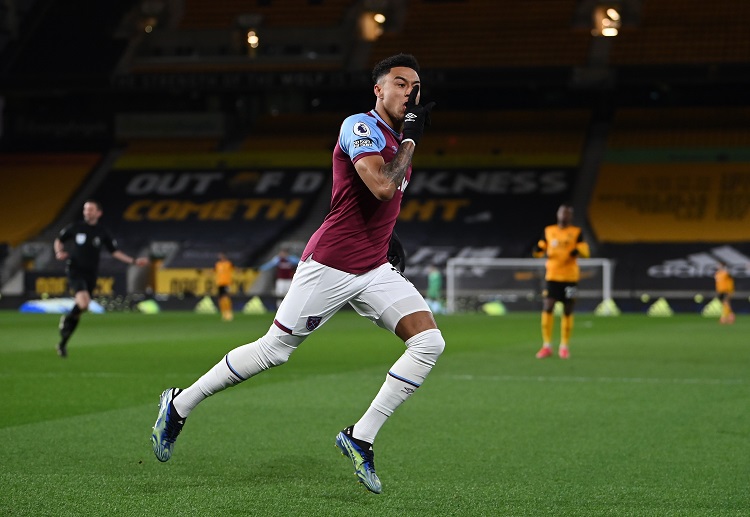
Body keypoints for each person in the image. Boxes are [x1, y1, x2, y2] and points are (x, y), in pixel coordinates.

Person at [151, 53, 441, 495]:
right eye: (400, 84)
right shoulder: (359, 126)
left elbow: (378, 198)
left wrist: (389, 235)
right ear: (378, 90)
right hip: (329, 264)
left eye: (415, 87)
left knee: (429, 342)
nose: (409, 93)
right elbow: (383, 185)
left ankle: (360, 437)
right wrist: (412, 140)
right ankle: (179, 404)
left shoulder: (397, 139)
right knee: (274, 351)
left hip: (373, 265)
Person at [54, 199, 149, 357]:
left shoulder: (102, 232)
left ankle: (63, 343)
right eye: (85, 209)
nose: (87, 212)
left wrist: (133, 261)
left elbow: (114, 252)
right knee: (84, 303)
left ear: (98, 213)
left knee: (81, 308)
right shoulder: (75, 228)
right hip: (75, 270)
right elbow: (59, 240)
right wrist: (59, 252)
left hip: (91, 274)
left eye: (91, 209)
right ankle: (66, 323)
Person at [532, 203, 590, 359]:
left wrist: (578, 250)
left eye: (567, 213)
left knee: (568, 309)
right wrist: (537, 251)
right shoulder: (549, 231)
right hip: (552, 276)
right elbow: (540, 248)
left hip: (570, 278)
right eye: (562, 212)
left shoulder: (576, 232)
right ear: (558, 214)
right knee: (548, 306)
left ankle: (564, 346)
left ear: (571, 216)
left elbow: (586, 251)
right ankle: (547, 345)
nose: (564, 215)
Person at [215, 252, 235, 321]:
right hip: (220, 283)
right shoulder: (217, 264)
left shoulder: (228, 264)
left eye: (221, 256)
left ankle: (229, 313)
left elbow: (235, 269)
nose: (220, 257)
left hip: (226, 283)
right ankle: (223, 313)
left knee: (226, 297)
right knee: (220, 299)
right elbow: (214, 271)